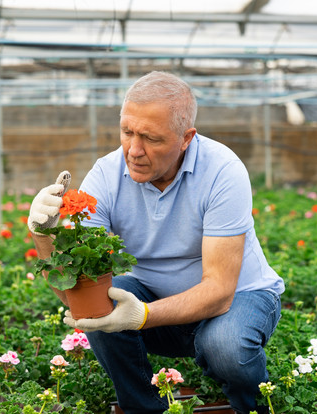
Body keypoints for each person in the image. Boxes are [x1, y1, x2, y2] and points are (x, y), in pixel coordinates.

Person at [27, 71, 284, 414]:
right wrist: (42, 234)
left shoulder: (222, 170)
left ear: (185, 138)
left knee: (225, 345)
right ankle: (145, 409)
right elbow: (74, 295)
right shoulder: (105, 176)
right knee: (97, 309)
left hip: (238, 298)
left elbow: (220, 291)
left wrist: (142, 315)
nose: (134, 150)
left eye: (151, 138)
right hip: (155, 303)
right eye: (127, 132)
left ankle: (253, 407)